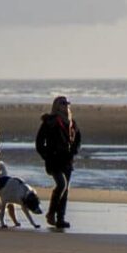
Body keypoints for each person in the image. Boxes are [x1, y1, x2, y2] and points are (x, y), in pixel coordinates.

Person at [35, 94, 81, 228]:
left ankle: (60, 218)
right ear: (56, 106)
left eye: (67, 103)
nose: (66, 105)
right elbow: (39, 142)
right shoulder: (49, 122)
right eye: (63, 103)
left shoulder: (72, 123)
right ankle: (51, 214)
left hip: (67, 160)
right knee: (62, 184)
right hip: (54, 160)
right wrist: (47, 155)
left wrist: (74, 151)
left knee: (65, 189)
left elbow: (78, 139)